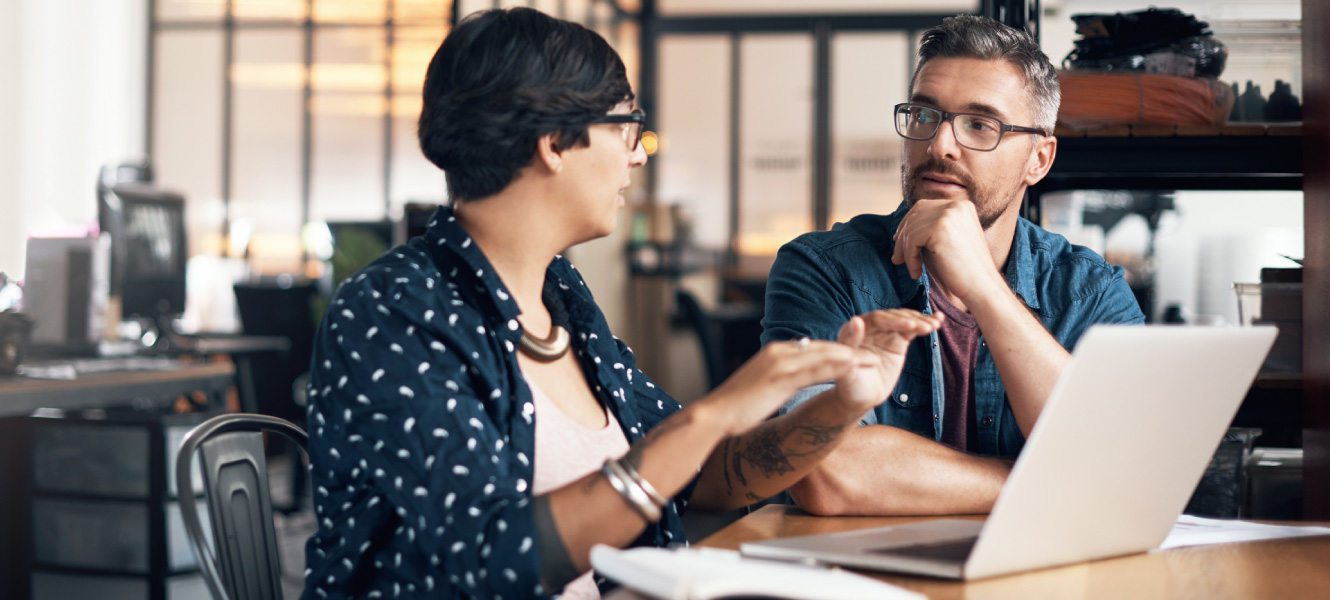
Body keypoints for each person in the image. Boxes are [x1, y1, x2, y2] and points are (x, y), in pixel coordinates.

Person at [300, 8, 941, 599]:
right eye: (627, 124)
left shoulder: (564, 297)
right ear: (554, 141)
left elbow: (702, 475)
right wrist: (714, 412)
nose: (637, 153)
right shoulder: (391, 310)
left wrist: (842, 405)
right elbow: (496, 562)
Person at [761, 15, 1146, 517]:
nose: (940, 144)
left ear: (1039, 159)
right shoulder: (823, 269)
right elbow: (822, 470)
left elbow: (1130, 468)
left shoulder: (1090, 290)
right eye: (924, 115)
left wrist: (985, 288)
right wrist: (1055, 480)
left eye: (980, 125)